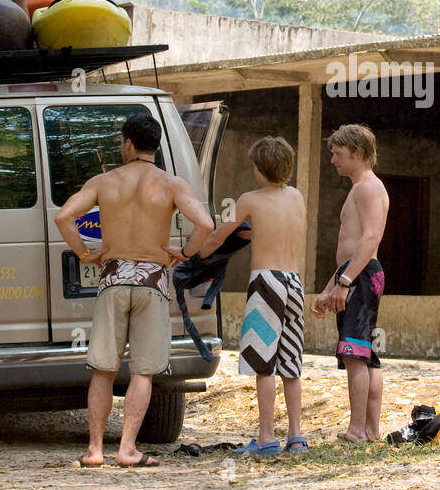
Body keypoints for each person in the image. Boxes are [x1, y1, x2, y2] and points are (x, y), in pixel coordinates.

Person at [55, 112, 214, 468]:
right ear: (155, 145)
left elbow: (63, 216)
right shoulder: (171, 184)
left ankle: (95, 450)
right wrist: (185, 252)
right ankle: (127, 448)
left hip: (113, 279)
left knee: (103, 369)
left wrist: (85, 253)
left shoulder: (104, 181)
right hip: (152, 281)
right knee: (142, 371)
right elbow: (205, 223)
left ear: (127, 143)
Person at [199, 137, 307, 456]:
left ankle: (266, 437)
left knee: (263, 363)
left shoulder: (249, 198)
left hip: (266, 282)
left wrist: (191, 256)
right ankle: (297, 437)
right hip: (293, 282)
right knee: (290, 363)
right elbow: (273, 225)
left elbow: (219, 235)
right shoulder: (297, 197)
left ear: (259, 170)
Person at [312, 124, 390, 443]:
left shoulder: (367, 187)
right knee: (364, 353)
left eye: (338, 153)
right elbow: (353, 246)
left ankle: (357, 430)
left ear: (358, 154)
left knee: (354, 352)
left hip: (360, 274)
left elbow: (370, 238)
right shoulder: (360, 187)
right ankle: (370, 429)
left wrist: (345, 281)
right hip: (356, 273)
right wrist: (331, 286)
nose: (333, 160)